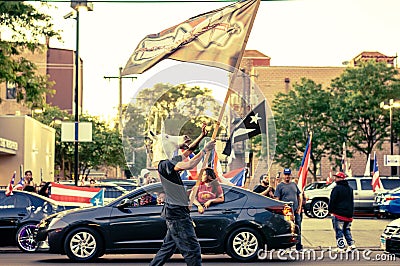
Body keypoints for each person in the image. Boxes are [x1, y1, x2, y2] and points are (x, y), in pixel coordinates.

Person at [149, 124, 215, 266]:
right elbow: (190, 164)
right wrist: (205, 150)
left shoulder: (167, 163)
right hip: (177, 214)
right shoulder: (164, 164)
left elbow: (189, 150)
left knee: (166, 250)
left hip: (175, 211)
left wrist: (202, 136)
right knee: (193, 250)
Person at [274, 168, 303, 251]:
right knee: (286, 229)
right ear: (283, 175)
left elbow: (299, 196)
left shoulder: (294, 185)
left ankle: (299, 246)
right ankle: (285, 247)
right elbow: (277, 199)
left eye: (288, 175)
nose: (287, 176)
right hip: (286, 213)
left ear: (290, 175)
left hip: (296, 212)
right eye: (286, 175)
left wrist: (299, 207)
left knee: (298, 228)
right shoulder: (280, 186)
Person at [328, 171, 356, 252]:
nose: (335, 179)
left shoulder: (336, 188)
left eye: (336, 177)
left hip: (338, 213)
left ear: (340, 178)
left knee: (339, 230)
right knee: (346, 229)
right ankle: (351, 244)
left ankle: (341, 247)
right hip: (348, 214)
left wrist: (330, 210)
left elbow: (333, 200)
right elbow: (351, 201)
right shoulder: (350, 189)